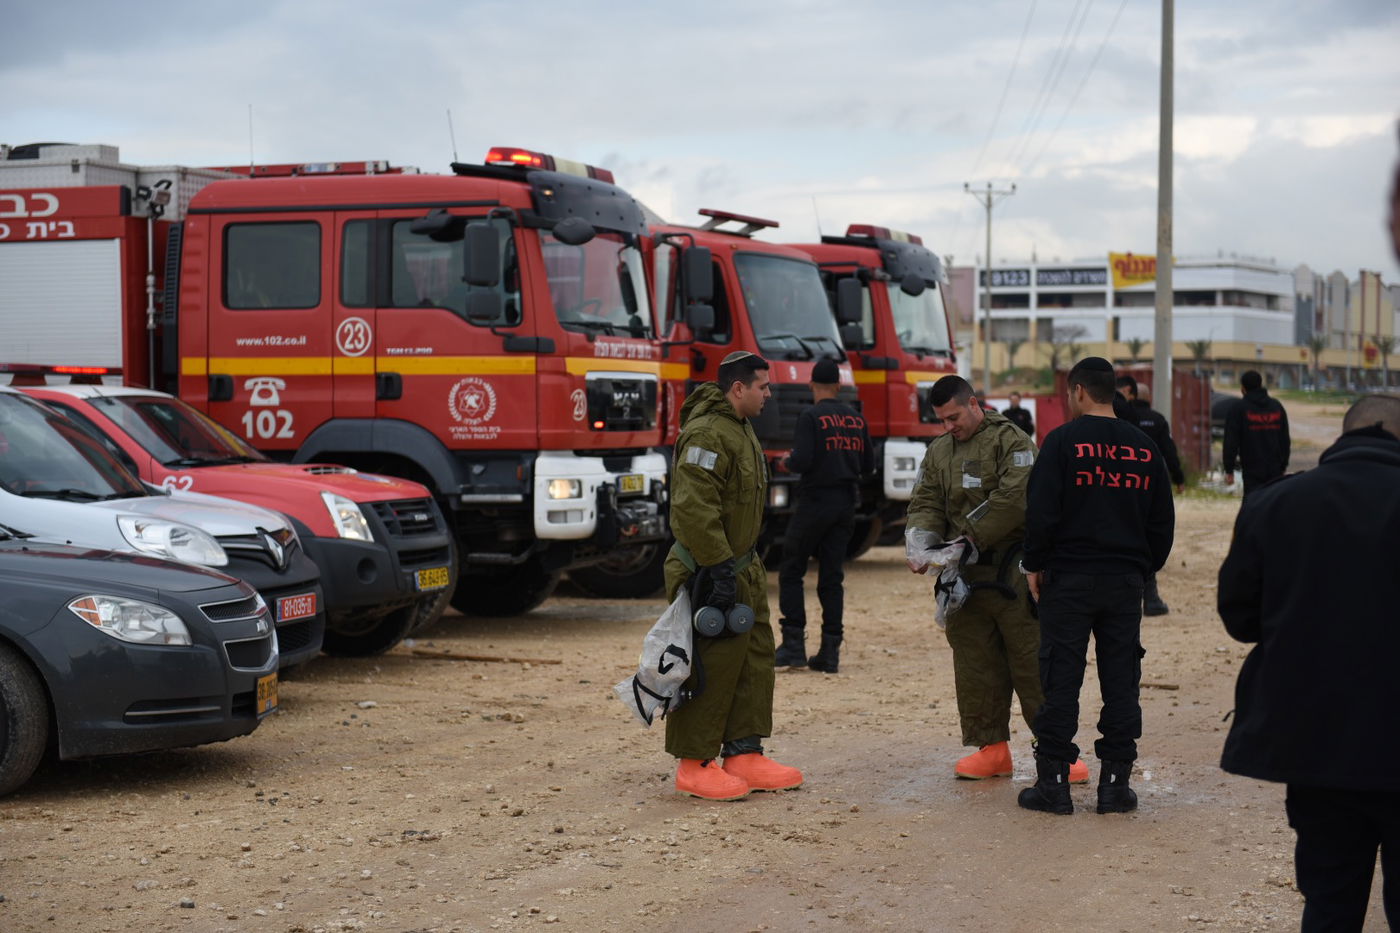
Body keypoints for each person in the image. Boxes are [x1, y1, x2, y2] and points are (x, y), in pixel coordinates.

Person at [1218, 394, 1400, 929]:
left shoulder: (1277, 502)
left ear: (1344, 437)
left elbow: (1240, 618)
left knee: (1329, 901)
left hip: (1316, 741)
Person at [905, 375, 1087, 783]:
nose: (949, 426)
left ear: (974, 404)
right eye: (942, 420)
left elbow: (1016, 498)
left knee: (1031, 661)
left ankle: (1058, 751)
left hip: (1014, 572)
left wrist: (970, 537)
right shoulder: (939, 451)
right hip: (964, 579)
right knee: (975, 664)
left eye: (954, 417)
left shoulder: (1012, 441)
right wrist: (922, 543)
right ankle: (991, 749)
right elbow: (926, 501)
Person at [1019, 357, 1175, 815]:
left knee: (1060, 679)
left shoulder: (1062, 442)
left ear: (1080, 392)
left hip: (1068, 580)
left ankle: (1053, 785)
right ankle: (1113, 786)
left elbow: (1041, 511)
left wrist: (1035, 564)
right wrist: (1144, 570)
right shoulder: (1145, 447)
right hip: (1124, 582)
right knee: (1121, 681)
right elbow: (1162, 522)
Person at [663, 350, 803, 801]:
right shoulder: (707, 432)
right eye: (762, 386)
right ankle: (694, 762)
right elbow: (693, 505)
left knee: (754, 658)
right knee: (711, 664)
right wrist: (717, 567)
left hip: (742, 565)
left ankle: (744, 753)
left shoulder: (740, 430)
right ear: (737, 388)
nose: (769, 394)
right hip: (709, 566)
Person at [776, 357, 874, 673]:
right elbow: (868, 465)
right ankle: (829, 652)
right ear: (838, 385)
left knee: (792, 568)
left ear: (812, 385)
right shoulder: (857, 419)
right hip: (846, 504)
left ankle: (793, 645)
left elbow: (803, 460)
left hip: (815, 502)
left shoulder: (810, 416)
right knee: (832, 577)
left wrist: (785, 463)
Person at [1115, 375, 1185, 617]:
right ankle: (1151, 597)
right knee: (1146, 537)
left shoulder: (1119, 417)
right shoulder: (1156, 420)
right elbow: (1168, 451)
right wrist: (1179, 478)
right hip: (1148, 485)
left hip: (1119, 486)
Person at [1222, 370, 1290, 498]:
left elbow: (1230, 442)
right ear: (1260, 384)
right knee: (1271, 505)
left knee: (1252, 507)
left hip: (1251, 471)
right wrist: (1283, 465)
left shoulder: (1238, 409)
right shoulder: (1276, 407)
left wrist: (1229, 469)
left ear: (1243, 388)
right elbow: (1284, 439)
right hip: (1275, 470)